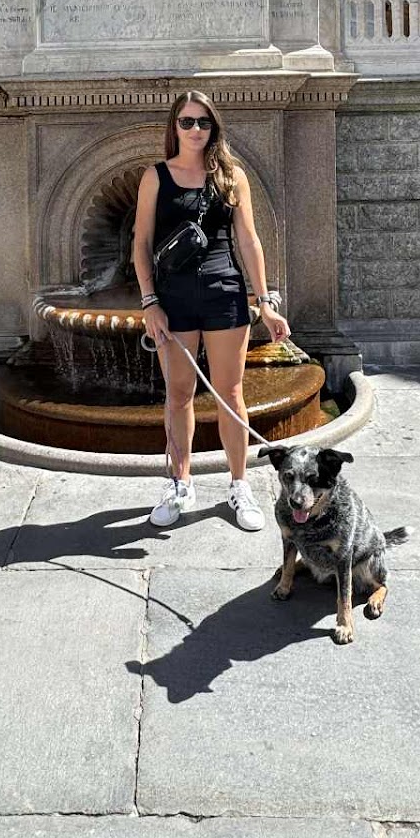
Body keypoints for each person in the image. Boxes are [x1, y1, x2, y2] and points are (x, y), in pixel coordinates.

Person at [132, 89, 291, 531]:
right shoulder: (155, 177)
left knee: (230, 393)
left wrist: (266, 302)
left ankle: (239, 485)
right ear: (174, 127)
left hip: (225, 293)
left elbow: (249, 241)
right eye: (187, 121)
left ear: (213, 126)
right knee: (179, 395)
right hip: (173, 299)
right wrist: (150, 302)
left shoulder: (231, 176)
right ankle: (180, 483)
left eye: (203, 121)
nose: (196, 129)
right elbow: (140, 244)